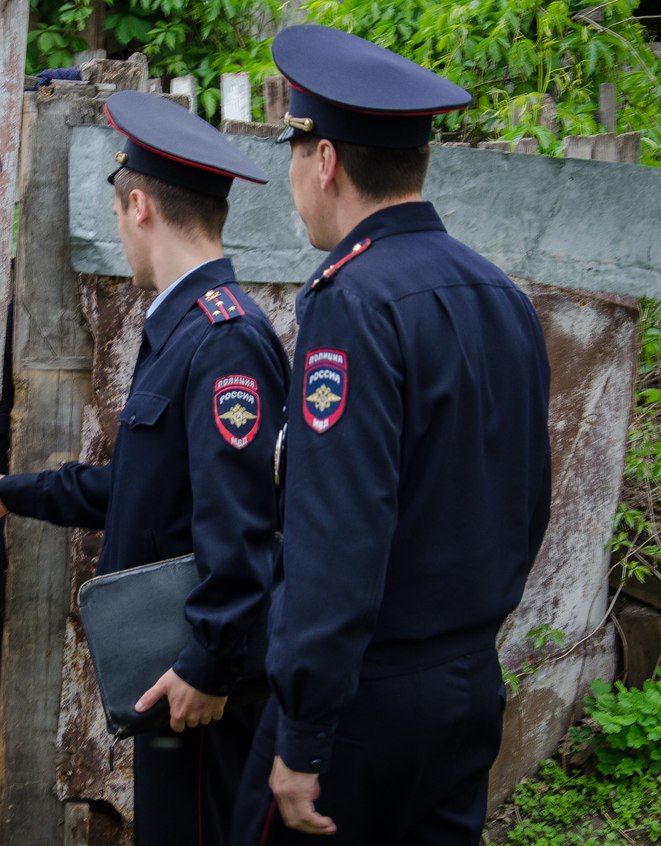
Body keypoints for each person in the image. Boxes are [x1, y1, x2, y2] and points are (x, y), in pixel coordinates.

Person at [231, 25, 553, 845]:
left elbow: (338, 536)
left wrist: (303, 732)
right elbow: (527, 503)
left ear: (327, 160)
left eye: (295, 151)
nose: (294, 175)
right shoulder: (501, 295)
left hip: (361, 708)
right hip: (466, 686)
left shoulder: (354, 303)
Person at [0, 90, 290, 846]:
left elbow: (242, 525)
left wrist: (209, 664)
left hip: (202, 688)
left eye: (116, 210)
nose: (119, 225)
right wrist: (12, 489)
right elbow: (144, 492)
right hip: (175, 677)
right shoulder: (184, 329)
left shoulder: (223, 340)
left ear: (138, 205)